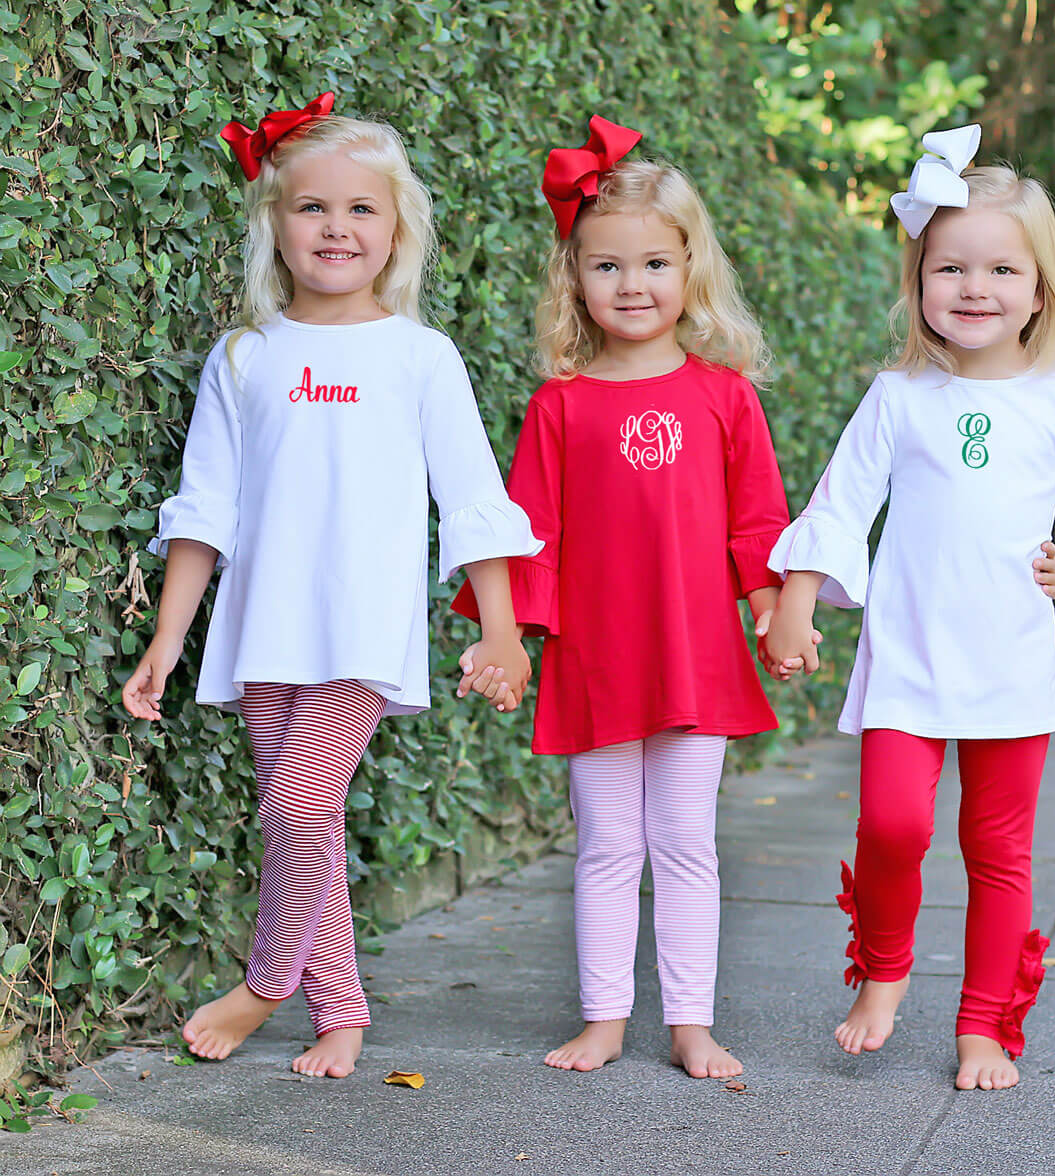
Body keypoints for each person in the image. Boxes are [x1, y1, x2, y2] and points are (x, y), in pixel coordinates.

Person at [121, 93, 541, 1079]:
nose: (337, 228)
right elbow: (206, 508)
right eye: (313, 208)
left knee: (294, 806)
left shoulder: (421, 357)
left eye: (362, 210)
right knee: (302, 815)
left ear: (398, 230)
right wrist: (169, 640)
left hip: (361, 628)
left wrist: (505, 631)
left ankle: (265, 985)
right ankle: (341, 1010)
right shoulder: (246, 355)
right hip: (262, 626)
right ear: (275, 221)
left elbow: (474, 501)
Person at [763, 124, 1055, 1090]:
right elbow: (840, 503)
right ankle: (882, 969)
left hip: (1011, 664)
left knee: (998, 853)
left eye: (1001, 269)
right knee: (893, 827)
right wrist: (795, 603)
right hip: (908, 656)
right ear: (920, 281)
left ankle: (985, 1026)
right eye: (951, 268)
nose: (976, 287)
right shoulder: (899, 396)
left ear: (1040, 289)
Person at [454, 116, 809, 1079]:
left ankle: (690, 1022)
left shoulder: (724, 396)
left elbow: (756, 521)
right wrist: (509, 640)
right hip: (597, 658)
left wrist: (774, 608)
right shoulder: (560, 404)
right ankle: (605, 1017)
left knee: (687, 840)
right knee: (609, 843)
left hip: (694, 650)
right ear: (575, 278)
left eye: (654, 263)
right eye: (606, 267)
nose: (632, 285)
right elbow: (533, 536)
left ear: (689, 267)